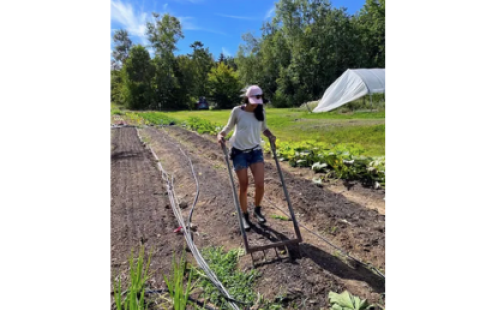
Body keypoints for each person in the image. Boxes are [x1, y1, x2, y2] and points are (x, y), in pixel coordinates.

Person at [217, 85, 276, 231]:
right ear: (247, 99)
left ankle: (257, 209)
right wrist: (221, 135)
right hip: (239, 153)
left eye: (259, 99)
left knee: (260, 184)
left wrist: (270, 135)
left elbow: (264, 128)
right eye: (253, 99)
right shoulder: (237, 111)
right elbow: (228, 127)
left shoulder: (261, 111)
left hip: (255, 151)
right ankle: (244, 215)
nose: (256, 103)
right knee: (244, 186)